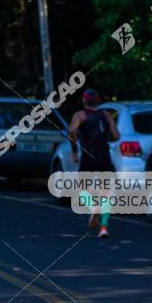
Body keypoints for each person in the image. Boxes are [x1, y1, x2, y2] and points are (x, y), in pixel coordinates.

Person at [68, 89, 120, 238]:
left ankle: (93, 208)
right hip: (104, 155)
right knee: (107, 193)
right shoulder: (106, 115)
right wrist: (105, 139)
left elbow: (72, 131)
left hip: (88, 155)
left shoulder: (80, 115)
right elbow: (116, 135)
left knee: (81, 189)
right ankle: (103, 227)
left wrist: (74, 150)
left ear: (84, 101)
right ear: (98, 101)